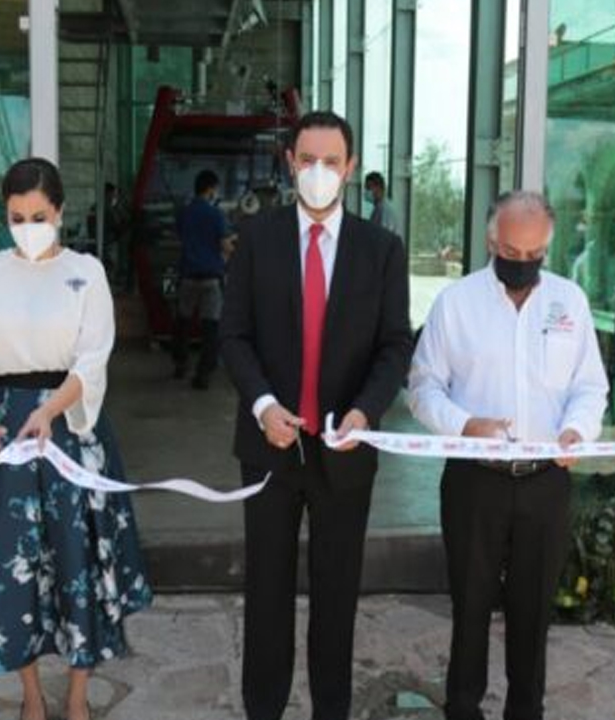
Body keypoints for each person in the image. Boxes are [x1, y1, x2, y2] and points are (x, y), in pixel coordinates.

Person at [0, 158, 151, 720]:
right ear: (3, 214)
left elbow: (93, 357)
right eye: (16, 216)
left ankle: (77, 696)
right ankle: (31, 696)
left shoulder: (86, 271)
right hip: (3, 431)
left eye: (38, 215)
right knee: (13, 562)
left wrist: (53, 410)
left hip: (70, 430)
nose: (28, 225)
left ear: (59, 211)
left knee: (77, 558)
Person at [220, 111, 413, 720]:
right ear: (290, 163)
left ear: (350, 168)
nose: (319, 172)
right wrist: (262, 404)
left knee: (336, 599)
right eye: (308, 160)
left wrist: (365, 411)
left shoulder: (381, 250)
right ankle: (264, 710)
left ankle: (332, 709)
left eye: (332, 162)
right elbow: (234, 335)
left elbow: (394, 345)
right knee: (267, 598)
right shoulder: (258, 239)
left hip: (344, 455)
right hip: (269, 448)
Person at [408, 191, 608, 720]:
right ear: (492, 241)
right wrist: (465, 425)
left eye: (534, 254)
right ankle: (463, 708)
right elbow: (423, 387)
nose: (522, 264)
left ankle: (526, 711)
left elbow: (591, 387)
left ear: (548, 246)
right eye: (511, 252)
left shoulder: (570, 302)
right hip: (475, 480)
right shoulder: (457, 303)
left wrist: (576, 431)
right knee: (469, 608)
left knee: (533, 611)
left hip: (546, 482)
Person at [171, 169, 233, 389]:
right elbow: (225, 245)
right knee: (210, 327)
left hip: (187, 276)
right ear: (210, 189)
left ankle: (180, 364)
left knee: (183, 323)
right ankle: (203, 374)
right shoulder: (216, 215)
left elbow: (180, 237)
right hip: (210, 279)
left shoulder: (184, 212)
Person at [364, 171, 401, 236]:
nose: (366, 191)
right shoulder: (379, 208)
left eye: (368, 188)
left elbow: (383, 236)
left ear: (378, 187)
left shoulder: (385, 209)